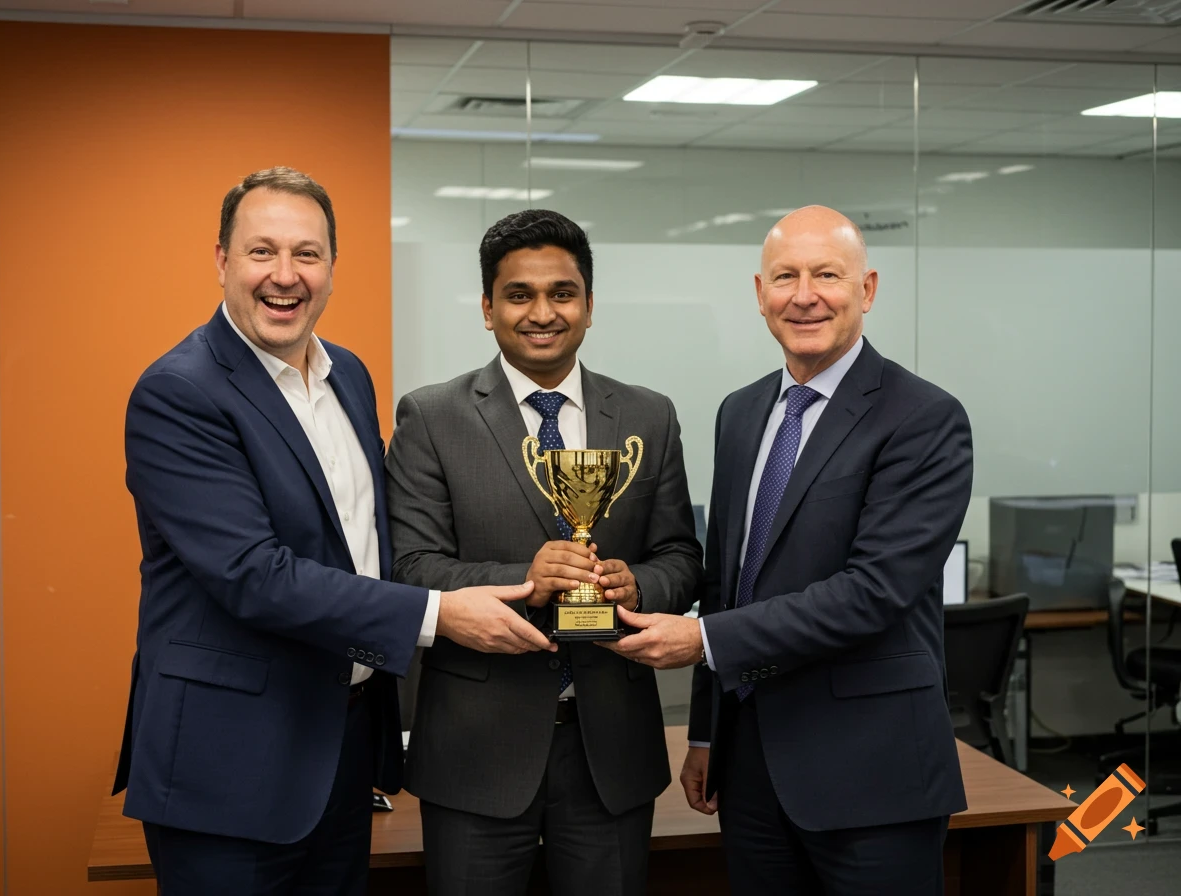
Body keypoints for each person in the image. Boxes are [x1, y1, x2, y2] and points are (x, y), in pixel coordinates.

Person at [113, 167, 551, 896]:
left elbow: (366, 543)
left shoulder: (347, 374)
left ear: (332, 269)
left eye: (307, 254)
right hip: (229, 766)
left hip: (340, 750)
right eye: (261, 252)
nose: (285, 276)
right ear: (221, 260)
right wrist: (441, 614)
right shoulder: (179, 393)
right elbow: (254, 575)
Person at [606, 205, 971, 895]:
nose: (804, 295)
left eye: (826, 275)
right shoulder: (740, 413)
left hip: (872, 774)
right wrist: (707, 734)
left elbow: (872, 594)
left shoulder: (923, 418)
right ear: (758, 293)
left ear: (866, 289)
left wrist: (701, 641)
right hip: (751, 773)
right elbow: (729, 581)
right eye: (785, 277)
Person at [385, 209, 704, 895]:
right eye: (519, 294)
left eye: (562, 293)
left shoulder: (650, 415)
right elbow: (411, 567)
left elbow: (681, 553)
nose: (542, 312)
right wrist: (523, 580)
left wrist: (639, 585)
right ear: (487, 308)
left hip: (609, 751)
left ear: (589, 305)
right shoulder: (431, 417)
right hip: (476, 749)